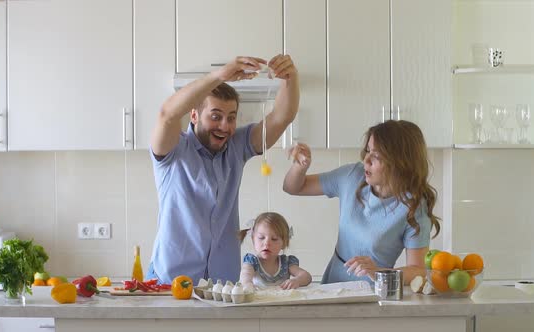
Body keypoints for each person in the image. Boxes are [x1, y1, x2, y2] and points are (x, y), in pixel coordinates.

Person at [148, 55, 299, 284]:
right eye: (216, 116)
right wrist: (219, 75)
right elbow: (167, 115)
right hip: (170, 283)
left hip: (222, 285)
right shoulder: (174, 150)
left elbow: (282, 116)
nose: (225, 126)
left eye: (231, 118)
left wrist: (290, 78)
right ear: (195, 115)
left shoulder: (237, 147)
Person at [283, 120, 441, 285]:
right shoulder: (352, 176)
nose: (366, 160)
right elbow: (292, 187)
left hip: (373, 293)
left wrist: (379, 273)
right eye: (368, 151)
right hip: (332, 286)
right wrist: (300, 166)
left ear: (400, 163)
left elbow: (418, 270)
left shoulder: (415, 207)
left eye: (377, 155)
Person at [239, 212, 312, 289]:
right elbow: (245, 276)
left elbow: (307, 277)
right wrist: (247, 284)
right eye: (261, 237)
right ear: (253, 240)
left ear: (284, 243)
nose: (267, 243)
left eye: (274, 239)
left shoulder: (286, 263)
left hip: (283, 300)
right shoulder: (252, 262)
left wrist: (297, 280)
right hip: (259, 300)